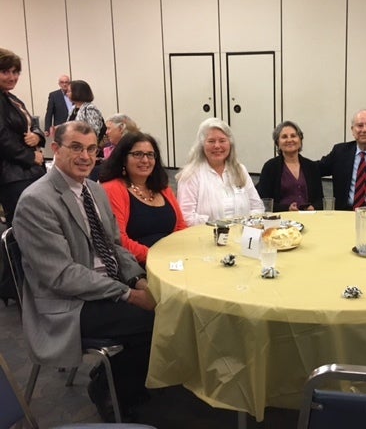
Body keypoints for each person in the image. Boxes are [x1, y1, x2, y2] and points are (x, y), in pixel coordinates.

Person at [12, 121, 156, 422]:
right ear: (55, 149)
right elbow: (61, 276)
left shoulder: (93, 189)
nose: (86, 156)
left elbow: (115, 245)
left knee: (167, 304)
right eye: (76, 147)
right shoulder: (37, 201)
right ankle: (106, 388)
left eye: (91, 149)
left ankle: (121, 378)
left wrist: (137, 279)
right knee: (155, 320)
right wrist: (127, 294)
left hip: (104, 285)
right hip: (67, 304)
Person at [100, 132, 187, 265]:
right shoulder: (112, 189)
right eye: (137, 154)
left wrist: (179, 255)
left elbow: (181, 227)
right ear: (124, 159)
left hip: (172, 260)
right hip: (135, 266)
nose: (145, 160)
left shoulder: (163, 189)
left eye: (150, 155)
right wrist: (155, 257)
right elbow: (119, 240)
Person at [176, 117, 263, 225]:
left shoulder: (240, 170)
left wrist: (244, 226)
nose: (217, 146)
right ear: (202, 145)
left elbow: (257, 207)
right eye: (211, 141)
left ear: (230, 144)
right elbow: (185, 217)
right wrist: (218, 226)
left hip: (242, 235)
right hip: (205, 237)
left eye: (222, 141)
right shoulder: (191, 174)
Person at [0, 48, 46, 225]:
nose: (12, 77)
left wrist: (37, 136)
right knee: (26, 225)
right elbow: (2, 138)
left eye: (15, 72)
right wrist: (30, 156)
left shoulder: (12, 98)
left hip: (28, 171)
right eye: (5, 72)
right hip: (13, 175)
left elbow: (32, 123)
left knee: (40, 221)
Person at [256, 120, 323, 211]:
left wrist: (313, 207)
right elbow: (264, 202)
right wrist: (287, 208)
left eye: (293, 136)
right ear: (278, 143)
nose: (289, 140)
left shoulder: (312, 166)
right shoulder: (270, 167)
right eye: (284, 137)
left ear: (300, 140)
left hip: (309, 217)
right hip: (282, 219)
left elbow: (320, 200)